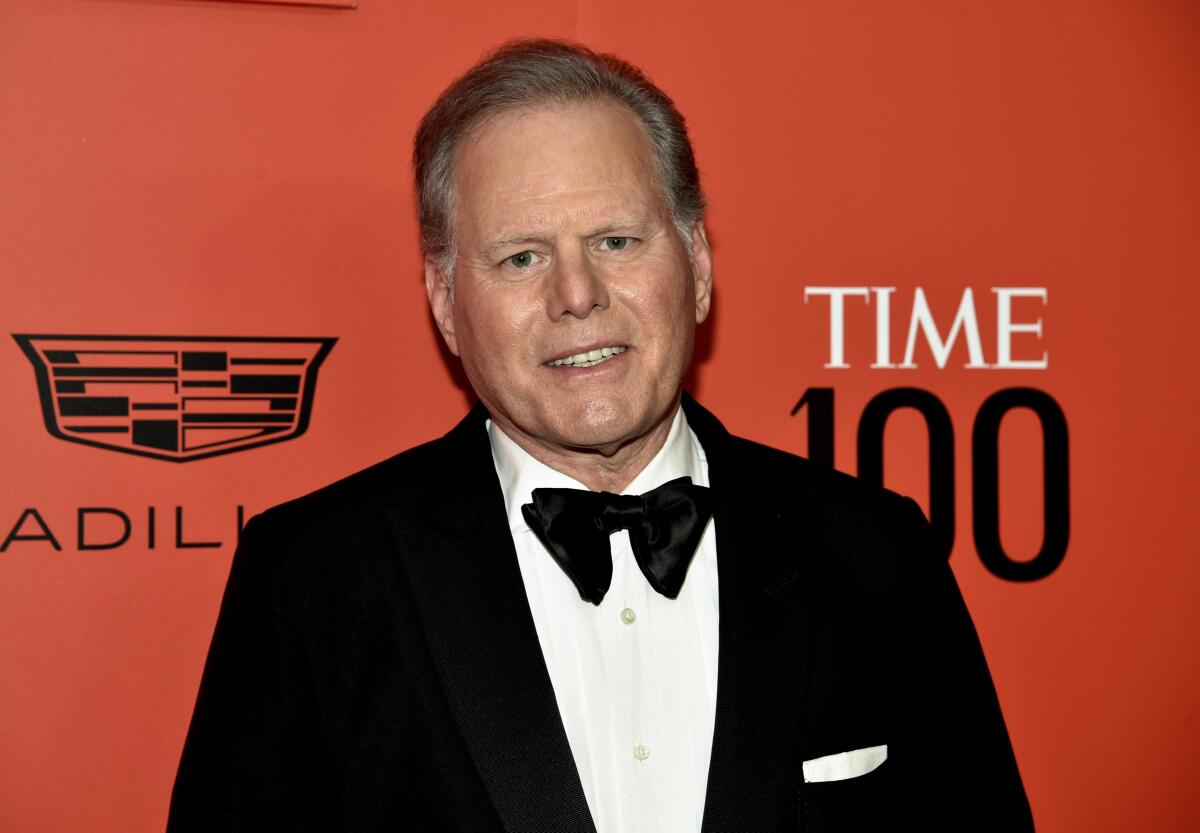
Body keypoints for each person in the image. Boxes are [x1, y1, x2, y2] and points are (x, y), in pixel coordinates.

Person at [168, 39, 1032, 832]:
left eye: (616, 240)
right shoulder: (313, 581)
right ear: (444, 301)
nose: (576, 293)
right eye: (521, 257)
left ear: (695, 264)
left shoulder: (877, 555)